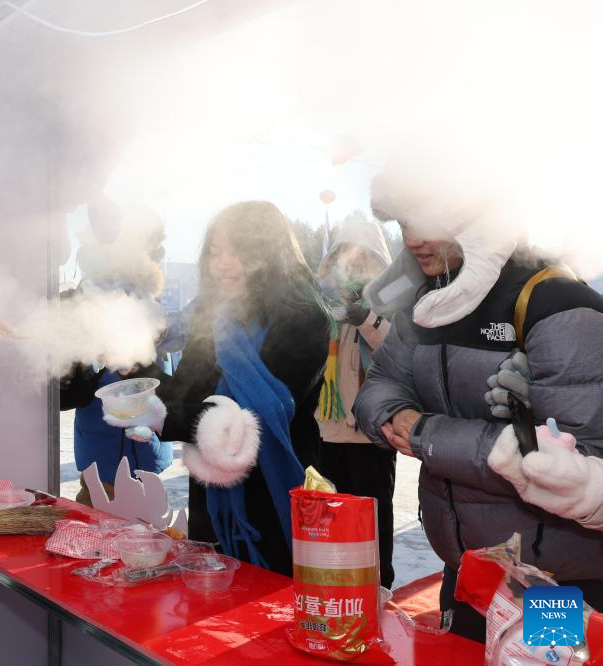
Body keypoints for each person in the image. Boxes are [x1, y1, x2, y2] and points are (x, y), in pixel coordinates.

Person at [353, 164, 603, 640]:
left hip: (555, 586)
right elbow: (379, 385)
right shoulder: (428, 299)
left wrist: (426, 434)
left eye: (426, 220)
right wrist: (394, 415)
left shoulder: (555, 304)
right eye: (402, 223)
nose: (411, 240)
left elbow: (580, 469)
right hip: (468, 571)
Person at [106, 201, 330, 575]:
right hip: (213, 499)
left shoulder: (304, 317)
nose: (222, 264)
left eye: (237, 252)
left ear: (268, 255)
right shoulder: (215, 317)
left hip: (274, 497)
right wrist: (139, 364)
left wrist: (162, 417)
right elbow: (183, 394)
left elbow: (248, 420)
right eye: (214, 252)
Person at [60, 203, 174, 505]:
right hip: (104, 459)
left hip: (146, 457)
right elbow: (67, 390)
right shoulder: (93, 293)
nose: (152, 250)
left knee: (147, 523)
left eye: (155, 242)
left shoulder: (151, 296)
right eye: (147, 241)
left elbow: (165, 378)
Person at [315, 212, 396, 588]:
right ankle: (333, 586)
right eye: (347, 252)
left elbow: (399, 352)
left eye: (365, 254)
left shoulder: (391, 300)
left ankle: (378, 588)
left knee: (371, 522)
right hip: (326, 430)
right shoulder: (322, 299)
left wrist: (366, 317)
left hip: (371, 432)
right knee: (331, 519)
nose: (356, 262)